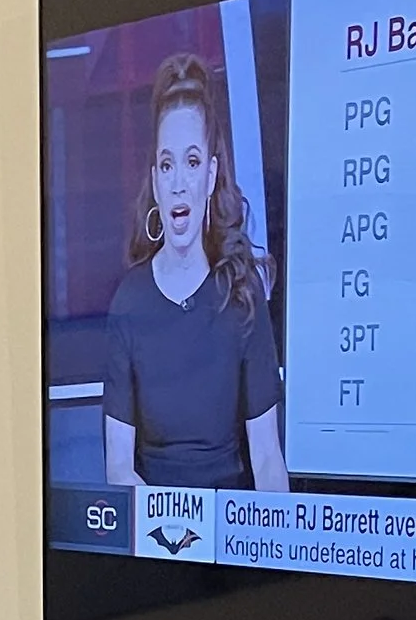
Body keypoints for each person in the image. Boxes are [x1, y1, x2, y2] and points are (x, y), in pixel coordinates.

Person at [103, 50, 290, 499]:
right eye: (167, 165)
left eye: (191, 162)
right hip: (157, 543)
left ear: (210, 176)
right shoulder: (128, 305)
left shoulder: (241, 298)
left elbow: (266, 458)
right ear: (155, 180)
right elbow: (117, 469)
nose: (179, 182)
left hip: (233, 540)